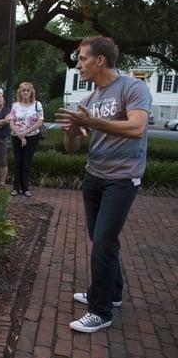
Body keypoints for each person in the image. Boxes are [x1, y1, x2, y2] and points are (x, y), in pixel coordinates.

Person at [55, 36, 152, 333]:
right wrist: (72, 131)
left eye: (82, 58)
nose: (78, 64)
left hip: (123, 178)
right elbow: (71, 148)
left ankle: (100, 310)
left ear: (99, 60)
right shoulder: (89, 100)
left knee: (104, 242)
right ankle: (113, 292)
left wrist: (93, 123)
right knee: (102, 240)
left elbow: (137, 127)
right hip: (94, 175)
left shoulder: (132, 88)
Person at [8, 81, 44, 197]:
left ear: (31, 92)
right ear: (20, 92)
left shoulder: (37, 105)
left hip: (32, 136)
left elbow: (40, 122)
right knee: (18, 162)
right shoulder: (15, 105)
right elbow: (11, 122)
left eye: (28, 90)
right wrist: (19, 134)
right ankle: (15, 188)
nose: (25, 92)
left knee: (27, 162)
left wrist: (25, 133)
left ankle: (25, 188)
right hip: (16, 136)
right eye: (23, 90)